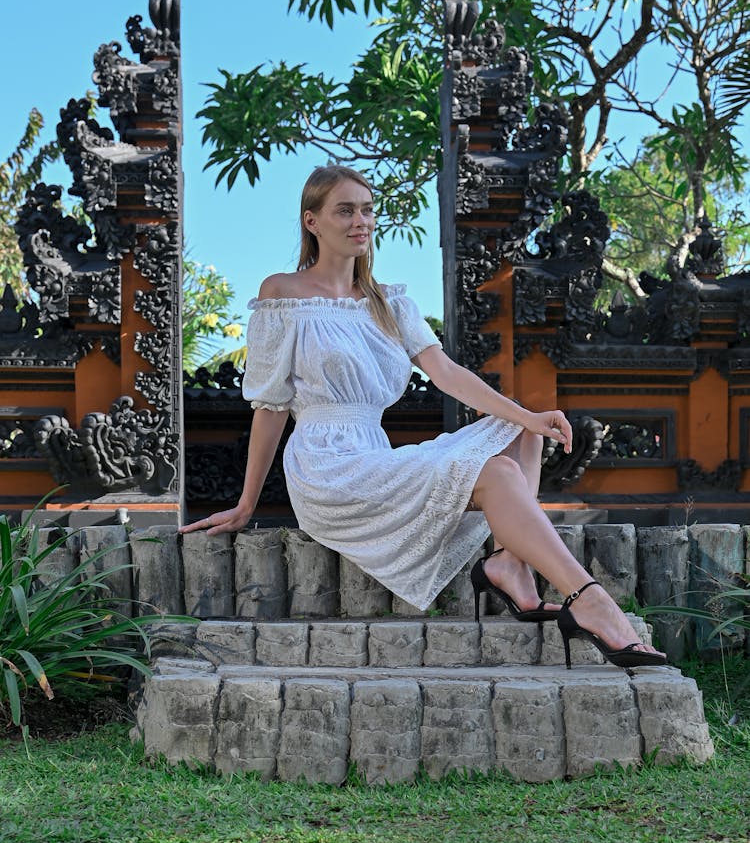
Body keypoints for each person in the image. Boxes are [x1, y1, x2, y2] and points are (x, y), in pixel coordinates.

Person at [181, 165, 665, 669]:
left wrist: (530, 415)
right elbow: (271, 407)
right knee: (496, 471)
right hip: (325, 466)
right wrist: (245, 503)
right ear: (312, 221)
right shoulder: (283, 294)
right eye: (344, 210)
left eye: (367, 210)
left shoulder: (390, 302)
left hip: (375, 453)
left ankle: (510, 563)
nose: (360, 221)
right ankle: (591, 601)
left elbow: (449, 374)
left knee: (522, 434)